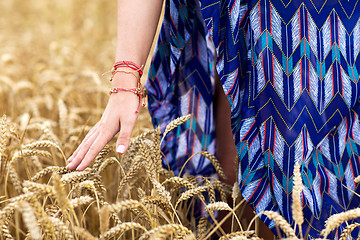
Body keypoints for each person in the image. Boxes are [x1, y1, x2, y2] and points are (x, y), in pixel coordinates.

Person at [67, 0, 360, 239]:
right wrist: (126, 76)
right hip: (248, 23)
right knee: (243, 188)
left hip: (343, 24)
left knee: (342, 184)